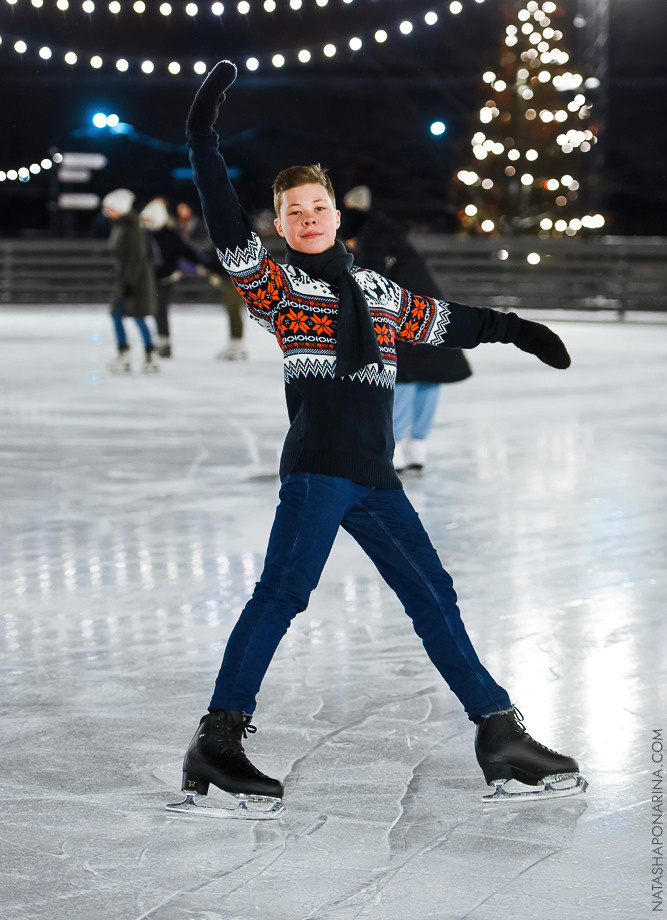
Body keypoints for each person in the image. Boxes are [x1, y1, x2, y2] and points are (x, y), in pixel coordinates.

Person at [167, 61, 587, 822]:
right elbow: (227, 225)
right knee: (282, 595)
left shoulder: (379, 295)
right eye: (292, 211)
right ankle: (217, 740)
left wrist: (519, 329)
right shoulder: (277, 288)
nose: (306, 219)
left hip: (374, 476)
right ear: (281, 222)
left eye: (316, 206)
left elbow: (451, 319)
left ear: (335, 213)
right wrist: (202, 140)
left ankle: (498, 732)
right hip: (319, 469)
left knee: (434, 597)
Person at [343, 185, 472, 472]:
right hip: (435, 315)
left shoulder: (373, 244)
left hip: (408, 320)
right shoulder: (394, 239)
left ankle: (398, 446)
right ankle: (418, 447)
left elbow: (369, 288)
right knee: (429, 374)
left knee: (406, 376)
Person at [176, 201, 248, 361]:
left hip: (235, 278)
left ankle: (238, 343)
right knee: (231, 309)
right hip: (229, 277)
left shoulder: (228, 233)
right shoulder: (221, 234)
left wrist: (211, 268)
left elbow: (225, 257)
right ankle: (235, 341)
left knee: (233, 308)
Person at [140, 197, 205, 358]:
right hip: (151, 278)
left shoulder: (169, 234)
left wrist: (202, 263)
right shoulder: (145, 235)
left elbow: (184, 250)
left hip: (167, 277)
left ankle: (164, 341)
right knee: (155, 309)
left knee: (160, 309)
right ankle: (161, 340)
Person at [103, 188, 158, 374]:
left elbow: (137, 258)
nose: (106, 211)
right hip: (124, 279)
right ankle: (123, 352)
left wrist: (129, 282)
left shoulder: (133, 227)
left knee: (139, 317)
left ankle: (151, 353)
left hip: (136, 281)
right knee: (117, 315)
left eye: (109, 207)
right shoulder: (119, 225)